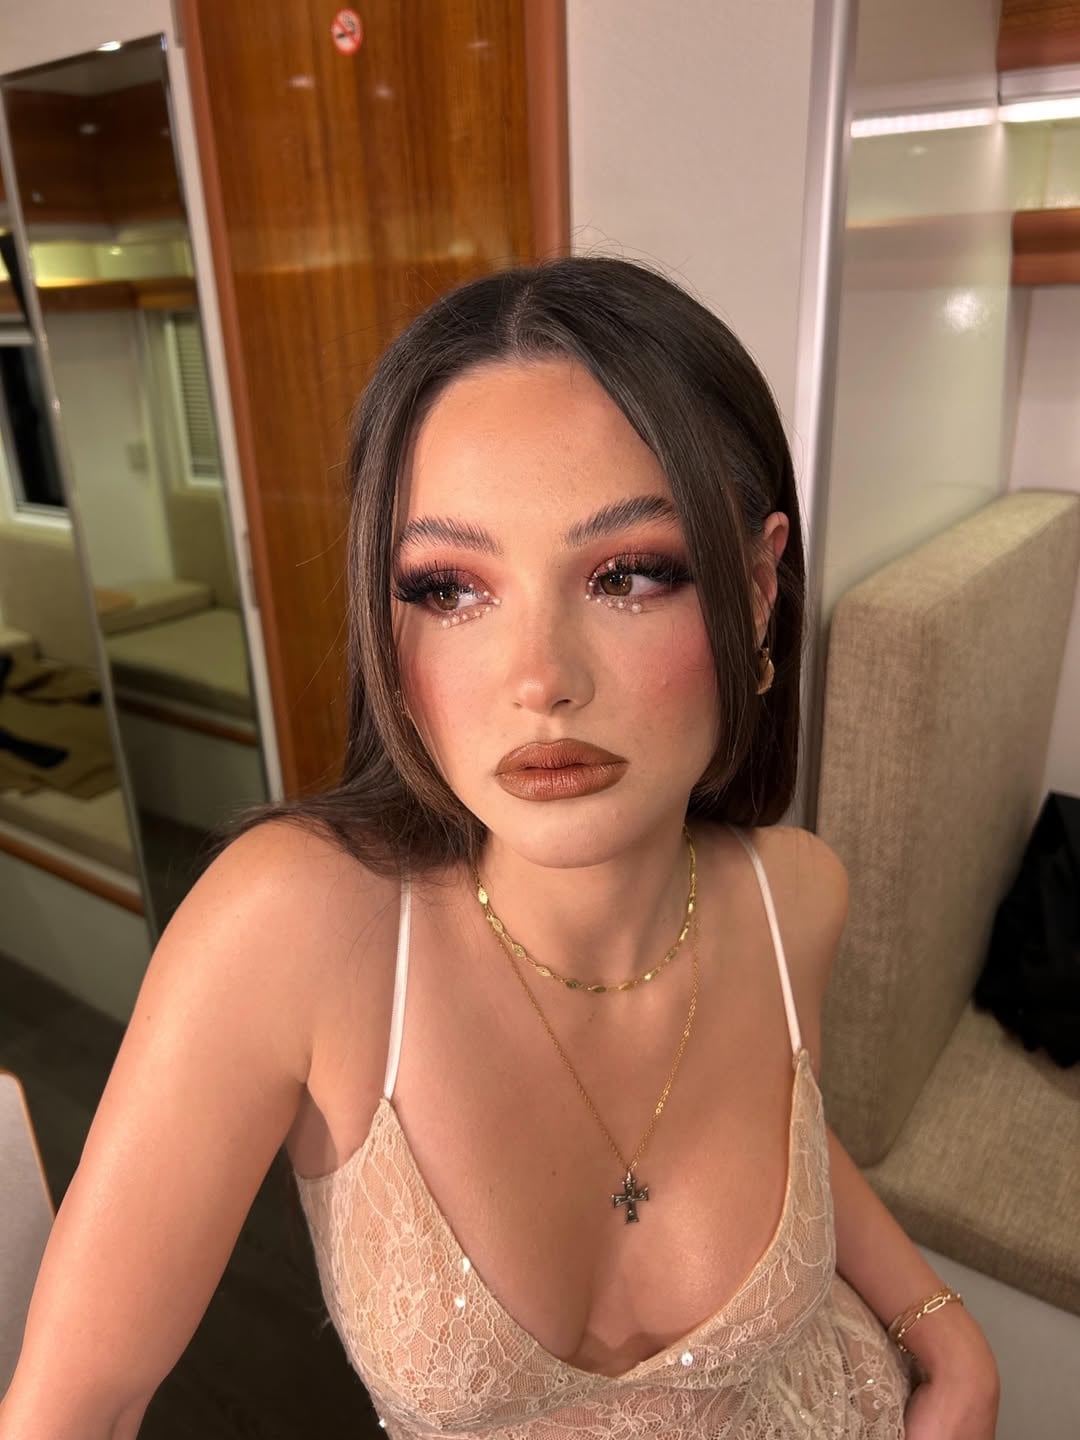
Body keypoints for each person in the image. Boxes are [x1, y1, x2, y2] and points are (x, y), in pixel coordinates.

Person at [0, 258, 999, 1438]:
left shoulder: (798, 900)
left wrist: (946, 1336)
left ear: (758, 584)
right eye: (449, 589)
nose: (539, 679)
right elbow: (72, 1410)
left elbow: (784, 1118)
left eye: (627, 574)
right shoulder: (297, 928)